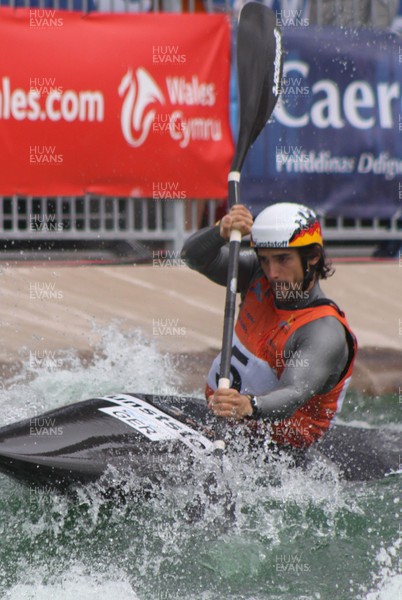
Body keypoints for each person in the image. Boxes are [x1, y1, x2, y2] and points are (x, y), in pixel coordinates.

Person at [181, 202, 357, 452]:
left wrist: (247, 406)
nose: (272, 273)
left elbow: (293, 392)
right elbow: (193, 258)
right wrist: (221, 230)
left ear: (313, 256)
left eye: (283, 259)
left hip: (276, 455)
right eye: (264, 260)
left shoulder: (322, 330)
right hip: (221, 423)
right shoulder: (256, 275)